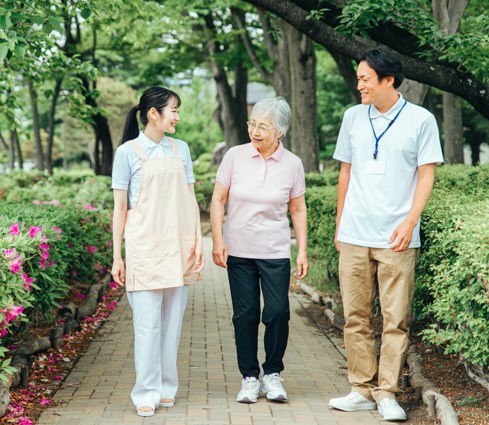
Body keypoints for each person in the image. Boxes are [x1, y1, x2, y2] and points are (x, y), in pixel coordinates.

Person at [328, 47, 444, 421]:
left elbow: (426, 175)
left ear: (388, 80)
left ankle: (387, 393)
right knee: (356, 316)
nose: (359, 84)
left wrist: (410, 221)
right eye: (359, 77)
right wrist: (339, 224)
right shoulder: (352, 117)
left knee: (395, 320)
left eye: (365, 78)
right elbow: (345, 173)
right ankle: (360, 389)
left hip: (396, 236)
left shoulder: (421, 120)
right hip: (355, 233)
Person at [111, 86, 204, 417]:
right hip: (144, 247)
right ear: (154, 114)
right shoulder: (127, 153)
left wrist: (197, 239)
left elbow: (190, 197)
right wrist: (116, 256)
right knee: (147, 325)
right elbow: (119, 208)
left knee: (172, 324)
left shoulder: (182, 149)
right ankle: (145, 392)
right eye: (173, 110)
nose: (177, 116)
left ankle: (167, 387)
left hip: (178, 247)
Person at [211, 96, 309, 404]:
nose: (255, 131)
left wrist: (302, 250)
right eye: (252, 123)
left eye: (263, 126)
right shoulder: (234, 156)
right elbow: (218, 200)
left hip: (275, 251)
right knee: (246, 314)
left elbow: (298, 208)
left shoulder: (292, 164)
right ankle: (250, 377)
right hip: (239, 250)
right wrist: (217, 239)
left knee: (278, 311)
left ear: (280, 131)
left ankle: (273, 374)